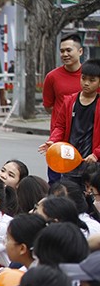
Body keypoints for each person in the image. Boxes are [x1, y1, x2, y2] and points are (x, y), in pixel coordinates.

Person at [39, 58, 100, 188]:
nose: (86, 83)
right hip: (70, 161)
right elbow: (60, 126)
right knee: (71, 199)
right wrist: (54, 141)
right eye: (83, 78)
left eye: (92, 80)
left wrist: (96, 154)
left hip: (93, 164)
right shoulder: (70, 101)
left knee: (93, 201)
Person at [43, 34, 84, 184]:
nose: (65, 54)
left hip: (85, 137)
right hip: (59, 141)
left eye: (69, 50)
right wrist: (63, 119)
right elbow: (48, 106)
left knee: (85, 182)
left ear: (80, 51)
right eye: (62, 51)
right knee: (56, 183)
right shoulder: (52, 77)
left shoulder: (91, 76)